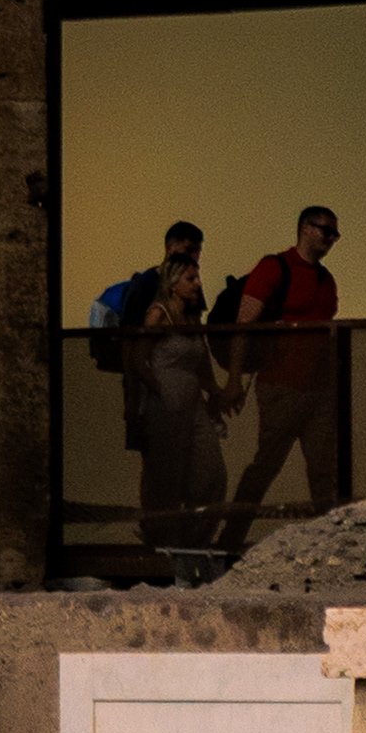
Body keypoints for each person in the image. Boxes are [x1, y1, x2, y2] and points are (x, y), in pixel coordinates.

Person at [92, 221, 226, 559]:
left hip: (190, 398)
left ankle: (193, 543)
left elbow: (200, 350)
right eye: (186, 252)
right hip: (163, 399)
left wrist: (215, 391)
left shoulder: (191, 298)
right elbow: (133, 351)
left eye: (196, 253)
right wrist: (139, 399)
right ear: (170, 248)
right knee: (163, 474)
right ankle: (164, 546)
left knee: (208, 473)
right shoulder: (148, 294)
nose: (194, 266)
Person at [215, 199, 344, 528]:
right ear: (305, 229)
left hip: (319, 390)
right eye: (325, 231)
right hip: (280, 386)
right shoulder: (275, 267)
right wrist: (233, 382)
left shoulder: (326, 280)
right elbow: (242, 326)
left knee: (324, 472)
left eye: (335, 234)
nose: (331, 238)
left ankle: (330, 543)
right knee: (267, 465)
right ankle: (231, 539)